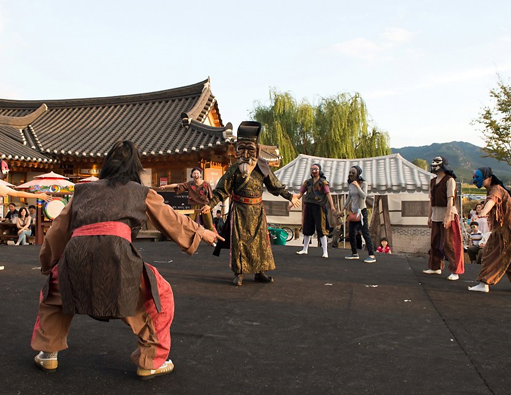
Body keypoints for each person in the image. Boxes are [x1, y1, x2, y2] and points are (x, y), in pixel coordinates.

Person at [30, 140, 223, 377]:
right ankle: (150, 361)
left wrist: (48, 264)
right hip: (118, 258)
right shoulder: (141, 192)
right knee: (159, 295)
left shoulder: (82, 191)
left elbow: (58, 230)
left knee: (53, 294)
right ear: (135, 168)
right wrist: (201, 231)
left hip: (75, 255)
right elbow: (170, 217)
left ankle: (47, 354)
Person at [201, 122, 299, 286]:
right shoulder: (233, 170)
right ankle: (238, 273)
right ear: (236, 150)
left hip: (257, 211)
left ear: (258, 150)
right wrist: (210, 205)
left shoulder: (262, 168)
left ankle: (260, 272)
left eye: (250, 149)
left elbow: (275, 186)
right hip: (239, 211)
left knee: (260, 243)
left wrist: (290, 197)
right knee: (239, 243)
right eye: (241, 149)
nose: (246, 154)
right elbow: (221, 191)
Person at [468, 167, 511, 293]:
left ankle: (484, 282)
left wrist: (483, 212)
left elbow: (492, 201)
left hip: (509, 228)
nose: (475, 180)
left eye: (477, 177)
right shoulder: (495, 189)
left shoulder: (496, 189)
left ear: (488, 178)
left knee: (491, 253)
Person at [423, 157, 465, 281]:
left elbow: (450, 199)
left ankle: (455, 269)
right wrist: (429, 216)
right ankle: (435, 266)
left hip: (448, 214)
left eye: (437, 163)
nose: (434, 165)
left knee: (448, 243)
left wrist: (447, 217)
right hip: (436, 213)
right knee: (435, 241)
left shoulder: (449, 180)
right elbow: (431, 200)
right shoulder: (433, 181)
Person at [296, 163, 336, 258]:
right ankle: (305, 249)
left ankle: (325, 251)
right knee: (307, 227)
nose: (314, 171)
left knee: (321, 229)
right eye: (312, 169)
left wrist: (332, 206)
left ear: (319, 171)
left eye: (316, 169)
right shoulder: (308, 182)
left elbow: (328, 194)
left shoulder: (323, 182)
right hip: (309, 206)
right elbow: (300, 193)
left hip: (319, 207)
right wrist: (293, 201)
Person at [343, 165, 376, 263]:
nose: (351, 174)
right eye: (350, 172)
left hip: (361, 212)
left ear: (358, 174)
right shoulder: (350, 184)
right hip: (353, 212)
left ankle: (371, 255)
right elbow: (349, 197)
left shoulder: (363, 183)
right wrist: (343, 209)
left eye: (353, 173)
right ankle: (354, 253)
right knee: (351, 233)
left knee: (365, 233)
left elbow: (364, 196)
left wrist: (357, 186)